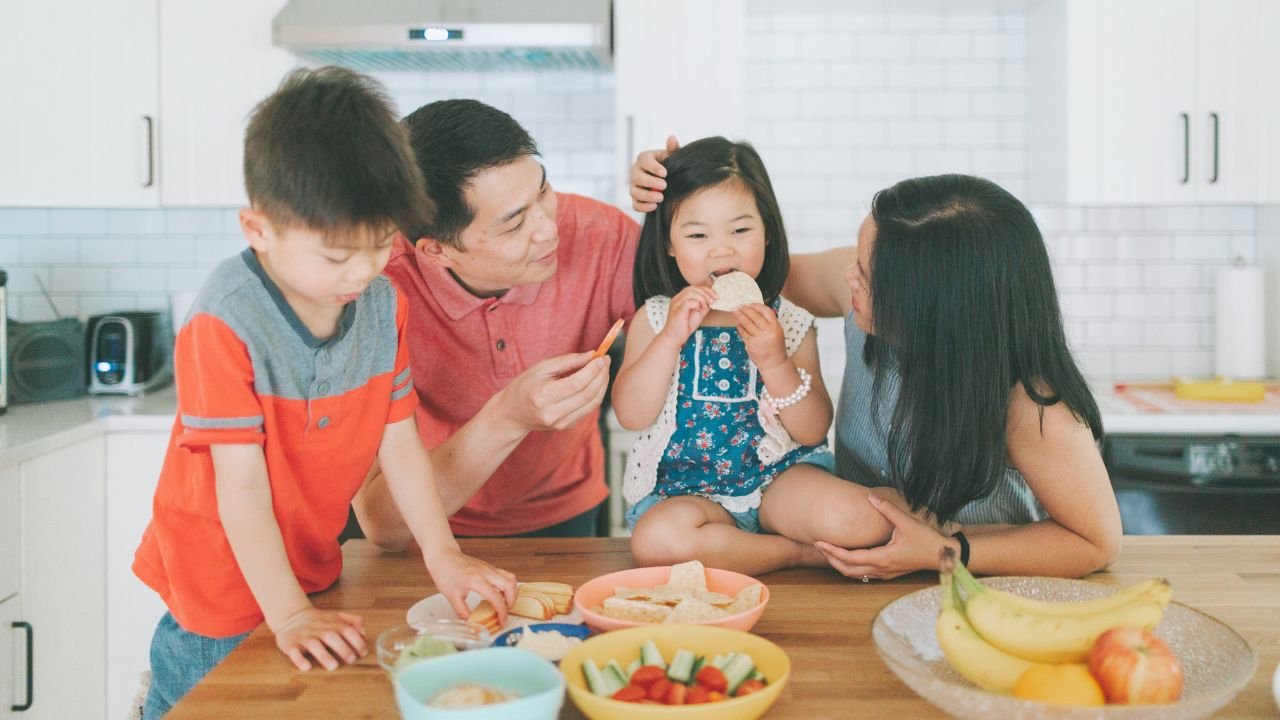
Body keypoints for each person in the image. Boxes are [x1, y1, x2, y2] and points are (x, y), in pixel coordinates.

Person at [132, 69, 517, 719]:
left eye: (377, 246)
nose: (363, 272)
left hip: (309, 568)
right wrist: (286, 615)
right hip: (218, 590)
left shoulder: (379, 303)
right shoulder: (224, 321)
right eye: (338, 256)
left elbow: (401, 441)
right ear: (258, 229)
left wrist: (442, 554)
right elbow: (241, 487)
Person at [631, 141, 1122, 580]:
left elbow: (1095, 543)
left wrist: (946, 552)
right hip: (851, 568)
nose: (847, 278)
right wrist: (665, 192)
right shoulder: (861, 285)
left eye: (865, 274)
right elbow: (730, 263)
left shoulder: (1032, 405)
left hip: (977, 591)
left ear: (932, 310)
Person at [350, 99, 639, 544]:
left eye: (543, 192)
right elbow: (382, 526)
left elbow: (704, 308)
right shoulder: (374, 290)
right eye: (513, 225)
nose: (548, 230)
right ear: (436, 251)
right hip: (430, 531)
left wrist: (686, 202)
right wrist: (509, 416)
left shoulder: (602, 234)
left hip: (568, 511)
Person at [613, 137, 894, 577]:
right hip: (691, 492)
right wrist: (669, 339)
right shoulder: (654, 319)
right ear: (669, 244)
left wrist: (775, 362)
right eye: (697, 235)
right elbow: (631, 415)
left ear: (767, 231)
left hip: (781, 477)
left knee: (864, 519)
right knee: (655, 542)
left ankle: (749, 547)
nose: (721, 249)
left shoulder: (791, 321)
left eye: (740, 231)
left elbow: (813, 427)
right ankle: (795, 553)